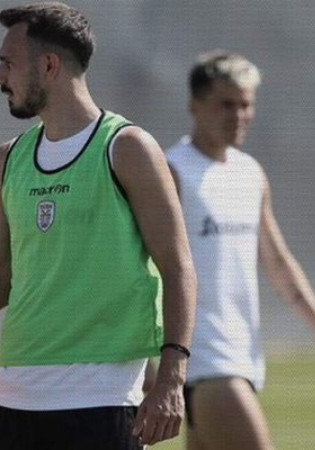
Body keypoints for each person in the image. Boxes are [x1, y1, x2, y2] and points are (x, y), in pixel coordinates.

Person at [0, 3, 197, 448]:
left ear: (50, 65)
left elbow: (178, 267)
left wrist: (171, 379)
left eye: (8, 63)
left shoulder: (127, 148)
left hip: (102, 399)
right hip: (12, 400)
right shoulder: (8, 159)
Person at [166, 50, 315, 450]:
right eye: (225, 104)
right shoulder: (171, 171)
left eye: (246, 104)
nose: (238, 114)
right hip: (204, 361)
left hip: (242, 357)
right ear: (195, 106)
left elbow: (278, 261)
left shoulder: (250, 173)